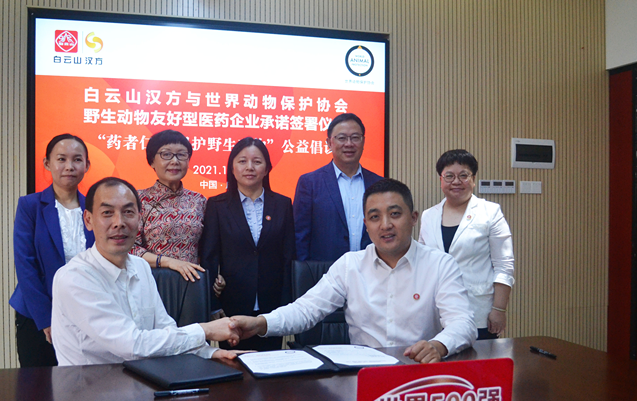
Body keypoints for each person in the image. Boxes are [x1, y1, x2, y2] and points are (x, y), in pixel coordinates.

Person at [230, 179, 477, 363]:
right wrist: (260, 323)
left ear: (413, 218)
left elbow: (463, 323)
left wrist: (438, 345)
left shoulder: (440, 265)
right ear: (366, 225)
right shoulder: (350, 265)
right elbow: (306, 310)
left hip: (419, 375)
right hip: (363, 376)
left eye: (395, 214)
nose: (386, 225)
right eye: (375, 217)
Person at [50, 177, 240, 366]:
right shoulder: (75, 278)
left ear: (139, 219)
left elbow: (165, 328)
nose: (119, 223)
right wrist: (205, 330)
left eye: (128, 212)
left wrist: (210, 352)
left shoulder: (140, 266)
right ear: (88, 220)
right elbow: (133, 345)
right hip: (90, 383)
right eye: (107, 213)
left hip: (142, 378)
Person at [200, 137, 296, 351]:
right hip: (231, 306)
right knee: (232, 364)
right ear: (232, 168)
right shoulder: (217, 205)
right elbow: (209, 257)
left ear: (267, 168)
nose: (249, 167)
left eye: (257, 161)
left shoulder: (282, 204)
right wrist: (213, 304)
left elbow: (288, 257)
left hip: (272, 307)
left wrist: (287, 305)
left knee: (270, 365)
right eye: (242, 161)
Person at [9, 134, 95, 367]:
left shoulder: (95, 208)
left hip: (86, 312)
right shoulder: (30, 206)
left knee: (86, 382)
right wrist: (46, 319)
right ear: (47, 163)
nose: (69, 166)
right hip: (38, 314)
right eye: (61, 159)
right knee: (39, 384)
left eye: (77, 159)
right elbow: (25, 265)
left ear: (87, 165)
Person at [418, 150, 515, 340]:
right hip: (436, 311)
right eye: (449, 176)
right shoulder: (428, 216)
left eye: (463, 175)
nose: (456, 181)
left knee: (478, 358)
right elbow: (422, 263)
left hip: (478, 312)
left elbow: (504, 266)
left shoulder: (490, 212)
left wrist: (499, 309)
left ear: (473, 179)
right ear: (441, 179)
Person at [293, 112, 382, 262]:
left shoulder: (378, 184)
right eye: (342, 138)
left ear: (363, 142)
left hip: (371, 270)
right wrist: (307, 272)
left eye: (355, 137)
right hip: (325, 272)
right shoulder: (309, 183)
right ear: (329, 143)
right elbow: (300, 237)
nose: (349, 144)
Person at [130, 130, 206, 282]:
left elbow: (207, 249)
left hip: (191, 283)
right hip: (150, 281)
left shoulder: (199, 201)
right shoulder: (138, 199)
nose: (175, 161)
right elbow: (130, 248)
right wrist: (168, 262)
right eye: (166, 154)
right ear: (152, 161)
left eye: (181, 155)